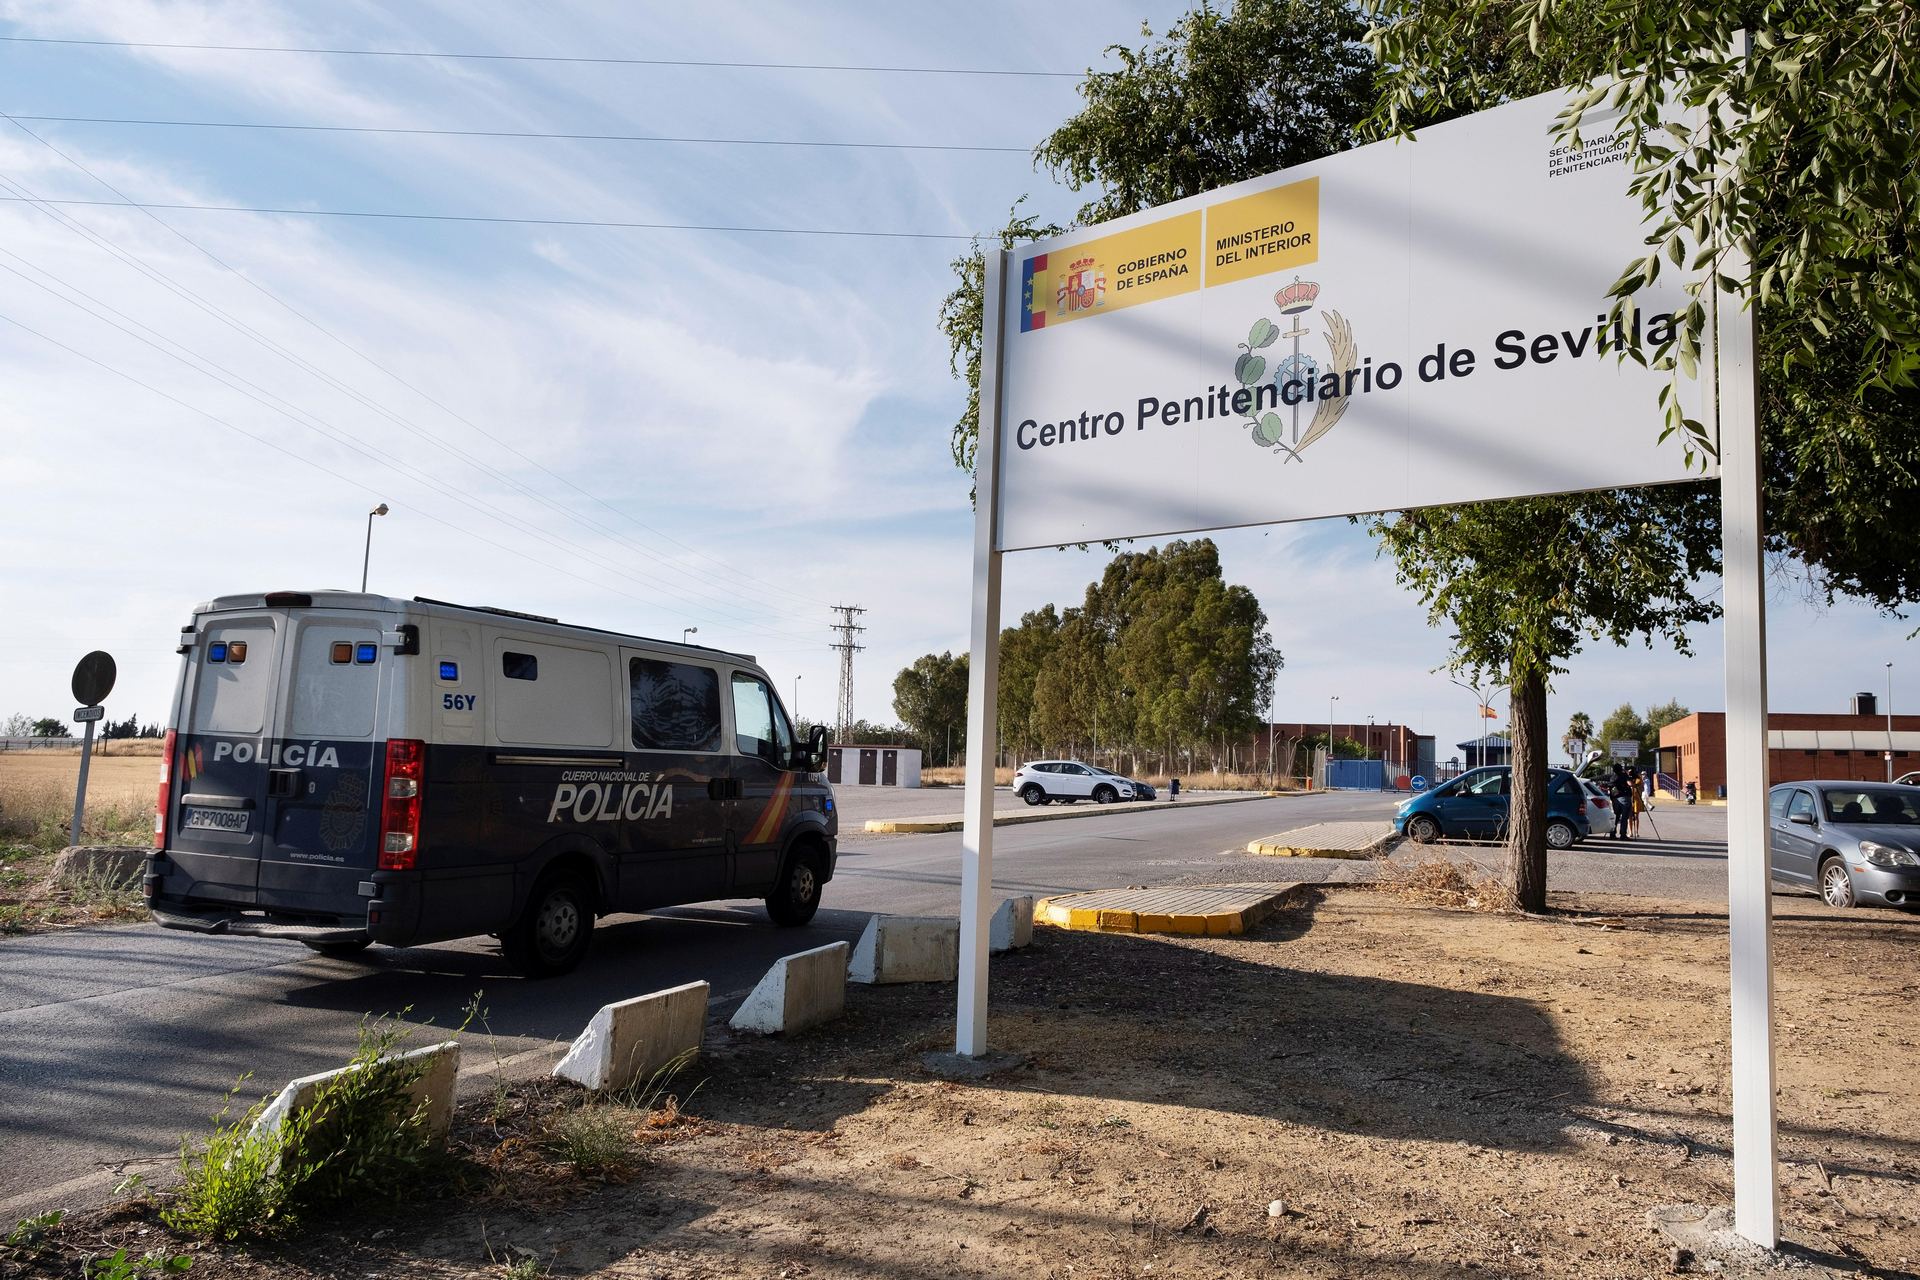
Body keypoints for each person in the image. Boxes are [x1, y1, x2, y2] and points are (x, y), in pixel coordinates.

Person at [1609, 765, 1632, 839]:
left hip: (1615, 799)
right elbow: (1630, 784)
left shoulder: (1612, 777)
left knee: (1616, 816)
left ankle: (1612, 834)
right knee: (1624, 817)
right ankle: (1623, 835)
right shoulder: (1624, 775)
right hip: (1624, 798)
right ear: (1621, 769)